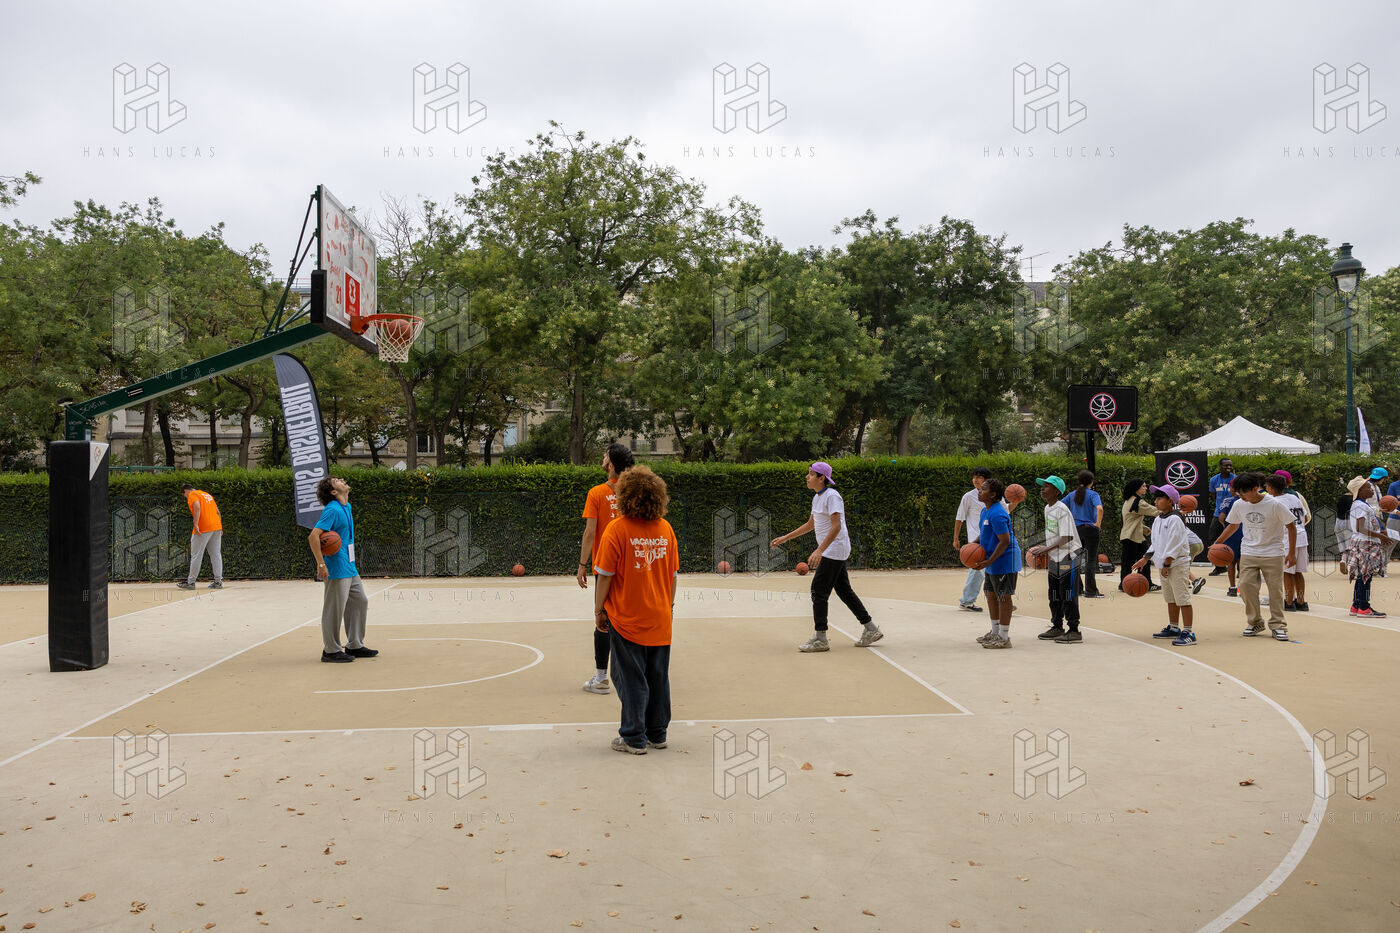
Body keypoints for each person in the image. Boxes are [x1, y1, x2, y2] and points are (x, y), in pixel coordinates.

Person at [593, 465, 679, 754]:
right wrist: (668, 607)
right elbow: (673, 576)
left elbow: (605, 575)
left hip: (627, 618)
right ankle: (658, 733)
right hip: (660, 617)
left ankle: (633, 736)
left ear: (625, 496)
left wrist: (599, 610)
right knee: (658, 677)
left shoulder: (617, 529)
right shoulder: (666, 529)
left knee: (629, 678)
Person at [771, 462, 882, 652]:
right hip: (832, 549)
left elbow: (836, 526)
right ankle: (871, 628)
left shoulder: (832, 496)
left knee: (818, 590)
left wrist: (820, 550)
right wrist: (786, 537)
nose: (807, 477)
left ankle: (821, 638)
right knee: (844, 591)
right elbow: (810, 525)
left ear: (821, 478)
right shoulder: (817, 498)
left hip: (834, 548)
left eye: (811, 474)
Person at [577, 443, 634, 694]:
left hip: (605, 567)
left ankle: (601, 678)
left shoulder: (597, 493)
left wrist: (582, 564)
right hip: (633, 566)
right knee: (630, 620)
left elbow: (590, 533)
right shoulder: (636, 491)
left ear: (611, 465)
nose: (602, 457)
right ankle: (633, 675)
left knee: (602, 620)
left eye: (605, 456)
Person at [1215, 472, 1296, 641]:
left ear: (1255, 488)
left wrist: (1292, 552)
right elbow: (1233, 525)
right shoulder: (1239, 504)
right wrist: (1218, 542)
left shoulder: (1275, 504)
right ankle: (1255, 622)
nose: (1241, 496)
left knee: (1275, 590)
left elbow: (1291, 526)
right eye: (1238, 492)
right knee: (1245, 586)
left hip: (1273, 552)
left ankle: (1278, 625)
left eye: (1243, 492)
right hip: (1249, 551)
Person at [309, 477, 374, 663]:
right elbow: (313, 536)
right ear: (333, 492)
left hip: (349, 565)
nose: (342, 480)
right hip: (336, 567)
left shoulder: (347, 506)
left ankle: (355, 645)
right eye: (337, 481)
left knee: (360, 601)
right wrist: (321, 564)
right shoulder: (332, 509)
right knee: (334, 609)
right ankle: (330, 650)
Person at [1134, 484, 1200, 647]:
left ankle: (1189, 632)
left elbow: (1175, 543)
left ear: (1170, 501)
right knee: (1170, 598)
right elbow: (1156, 542)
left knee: (1182, 598)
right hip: (1164, 564)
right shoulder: (1158, 519)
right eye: (1155, 498)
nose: (1155, 501)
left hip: (1176, 565)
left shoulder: (1175, 519)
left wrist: (1167, 563)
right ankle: (1174, 627)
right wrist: (1145, 558)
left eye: (1159, 498)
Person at [1030, 476, 1083, 643]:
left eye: (1047, 486)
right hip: (1055, 556)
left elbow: (1067, 537)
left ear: (1057, 491)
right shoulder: (1048, 508)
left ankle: (1074, 630)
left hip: (1068, 556)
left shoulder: (1062, 509)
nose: (1042, 488)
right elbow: (1055, 535)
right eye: (1042, 486)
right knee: (1054, 594)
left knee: (1067, 594)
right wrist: (1047, 550)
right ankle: (1057, 626)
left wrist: (1046, 549)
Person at [972, 478, 1021, 649]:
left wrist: (989, 561)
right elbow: (985, 534)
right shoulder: (985, 511)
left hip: (1005, 559)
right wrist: (972, 545)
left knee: (1003, 596)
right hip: (993, 559)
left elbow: (1005, 541)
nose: (979, 491)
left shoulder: (998, 513)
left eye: (984, 489)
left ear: (993, 495)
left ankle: (1004, 637)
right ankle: (995, 632)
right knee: (990, 593)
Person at [1341, 476, 1389, 619]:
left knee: (1362, 576)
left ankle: (1356, 606)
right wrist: (1380, 536)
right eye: (1368, 487)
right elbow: (1360, 528)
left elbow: (1366, 525)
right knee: (1366, 577)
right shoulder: (1360, 505)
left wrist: (1380, 531)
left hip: (1362, 541)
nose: (1371, 490)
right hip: (1366, 543)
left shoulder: (1360, 504)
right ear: (1360, 490)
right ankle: (1364, 607)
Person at [1266, 474, 1310, 612]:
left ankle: (1289, 601)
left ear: (1270, 488)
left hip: (1287, 538)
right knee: (1298, 572)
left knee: (1287, 572)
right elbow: (1305, 517)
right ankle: (1301, 602)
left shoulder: (1274, 502)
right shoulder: (1294, 497)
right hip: (1302, 536)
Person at [953, 467, 992, 612]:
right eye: (974, 477)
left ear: (986, 480)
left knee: (978, 572)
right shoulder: (968, 497)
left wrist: (1016, 502)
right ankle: (1001, 599)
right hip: (976, 542)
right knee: (986, 571)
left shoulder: (995, 495)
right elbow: (959, 518)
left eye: (979, 477)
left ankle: (967, 601)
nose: (975, 480)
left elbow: (1005, 510)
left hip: (991, 539)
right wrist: (955, 538)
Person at [178, 484, 223, 590]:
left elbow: (197, 507)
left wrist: (196, 524)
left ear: (186, 491)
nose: (186, 498)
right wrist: (220, 526)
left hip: (203, 528)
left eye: (185, 496)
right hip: (216, 527)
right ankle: (218, 582)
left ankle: (191, 583)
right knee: (216, 555)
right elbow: (217, 511)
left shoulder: (193, 494)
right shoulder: (207, 495)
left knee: (196, 555)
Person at [1067, 470, 1104, 598]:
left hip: (1076, 530)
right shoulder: (1093, 494)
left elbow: (1060, 506)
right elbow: (1099, 508)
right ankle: (1091, 591)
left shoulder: (1072, 495)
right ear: (1091, 482)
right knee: (1090, 561)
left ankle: (1077, 589)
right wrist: (1098, 524)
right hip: (1090, 529)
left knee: (1075, 560)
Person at [1119, 479, 1159, 592]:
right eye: (1143, 486)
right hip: (1131, 536)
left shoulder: (1128, 501)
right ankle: (1127, 584)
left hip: (1133, 536)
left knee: (1137, 561)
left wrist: (1145, 529)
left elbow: (1131, 520)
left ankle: (1138, 583)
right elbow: (1155, 511)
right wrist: (1172, 511)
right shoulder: (1138, 502)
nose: (1146, 488)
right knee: (1134, 562)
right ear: (1136, 488)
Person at [1206, 459, 1236, 574]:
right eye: (1226, 465)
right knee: (1214, 537)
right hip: (1218, 513)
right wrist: (1221, 507)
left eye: (1230, 465)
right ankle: (1219, 566)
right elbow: (1214, 496)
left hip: (1233, 513)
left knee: (1235, 539)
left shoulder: (1235, 479)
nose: (1229, 467)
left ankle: (1238, 568)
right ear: (1220, 466)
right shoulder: (1214, 480)